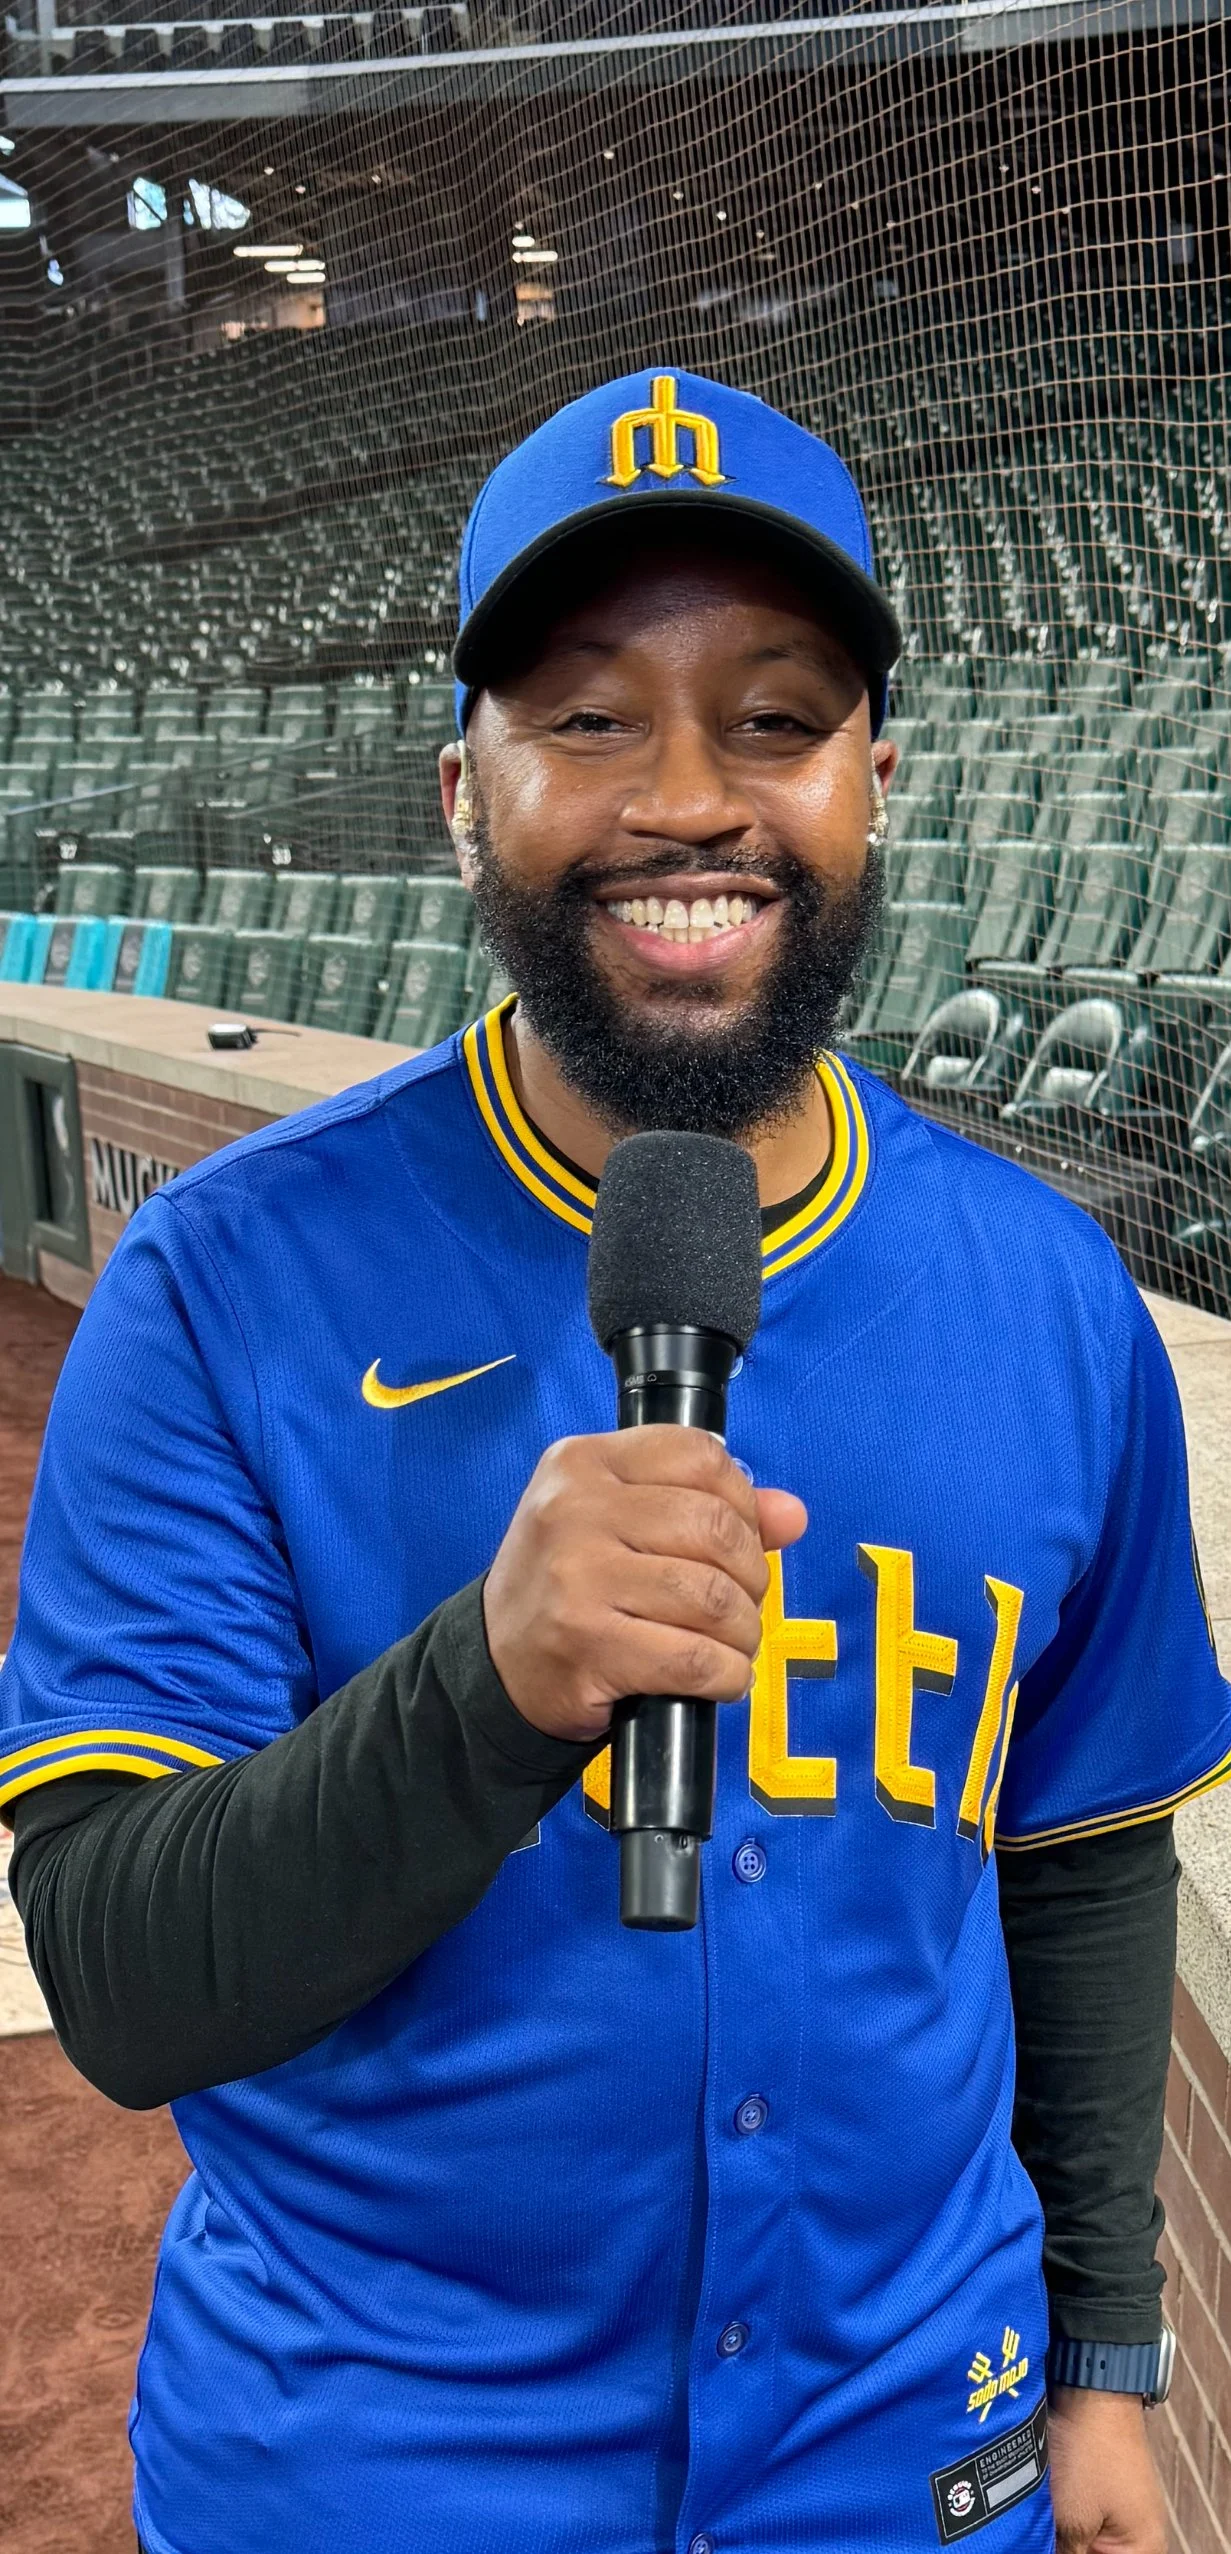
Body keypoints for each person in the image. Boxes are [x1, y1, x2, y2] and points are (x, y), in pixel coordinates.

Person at [3, 369, 1228, 2554]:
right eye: (586, 718)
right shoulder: (222, 1286)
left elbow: (1080, 1856)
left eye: (775, 719)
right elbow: (121, 1974)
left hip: (902, 2449)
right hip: (372, 2472)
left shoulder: (1050, 1297)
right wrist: (484, 1687)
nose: (687, 798)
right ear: (461, 791)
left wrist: (1106, 2361)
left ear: (874, 782)